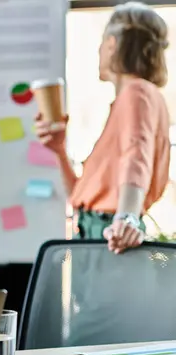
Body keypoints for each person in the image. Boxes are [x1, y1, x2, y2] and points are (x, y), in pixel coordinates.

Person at [34, 2, 171, 254]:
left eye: (101, 43)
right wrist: (59, 150)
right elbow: (79, 195)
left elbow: (136, 156)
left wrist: (126, 217)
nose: (98, 51)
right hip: (99, 230)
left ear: (112, 43)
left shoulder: (137, 93)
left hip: (110, 234)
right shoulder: (135, 100)